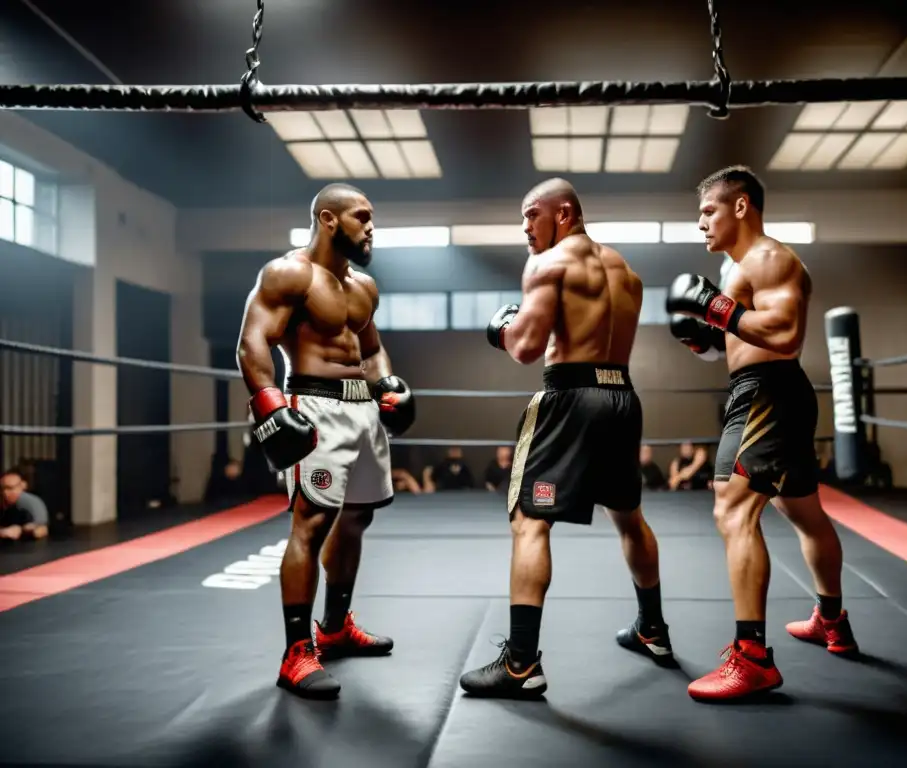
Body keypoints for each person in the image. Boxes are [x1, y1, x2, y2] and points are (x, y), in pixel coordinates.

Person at [459, 178, 671, 699]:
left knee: (529, 521)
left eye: (533, 214)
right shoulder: (628, 273)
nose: (526, 227)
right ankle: (652, 630)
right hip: (622, 398)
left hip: (571, 398)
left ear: (566, 213)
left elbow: (527, 349)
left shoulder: (548, 264)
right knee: (629, 516)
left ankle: (521, 664)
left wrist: (501, 328)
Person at [666, 165, 857, 702]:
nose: (701, 222)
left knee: (732, 509)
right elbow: (741, 335)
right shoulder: (741, 268)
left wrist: (714, 308)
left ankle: (751, 659)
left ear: (741, 206)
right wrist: (704, 338)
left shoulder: (768, 257)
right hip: (770, 390)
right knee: (802, 511)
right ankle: (832, 619)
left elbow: (785, 331)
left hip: (766, 394)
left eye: (708, 211)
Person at [236, 182, 416, 700]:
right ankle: (296, 653)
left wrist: (390, 384)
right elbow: (253, 342)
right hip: (315, 405)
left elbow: (374, 348)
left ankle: (335, 627)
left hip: (363, 412)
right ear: (328, 219)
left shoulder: (364, 287)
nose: (371, 226)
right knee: (311, 522)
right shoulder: (288, 274)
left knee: (357, 516)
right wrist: (268, 404)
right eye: (362, 217)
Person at [0, 468, 49, 541]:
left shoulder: (30, 502)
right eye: (3, 488)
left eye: (10, 488)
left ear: (23, 486)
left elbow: (42, 529)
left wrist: (24, 530)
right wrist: (3, 532)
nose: (6, 492)